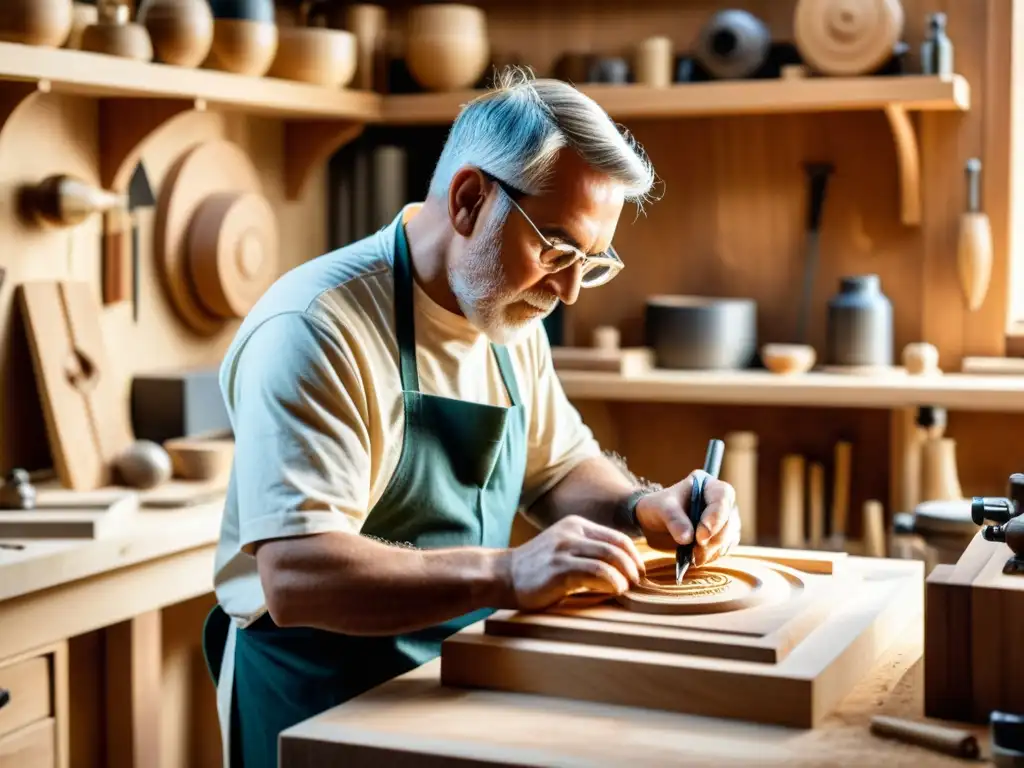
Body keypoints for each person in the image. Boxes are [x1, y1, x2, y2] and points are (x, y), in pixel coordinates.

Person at [203, 67, 741, 767]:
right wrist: (508, 574)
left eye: (592, 261)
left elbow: (558, 470)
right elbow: (300, 576)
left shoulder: (507, 317)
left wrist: (645, 508)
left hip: (451, 684)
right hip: (318, 699)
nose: (571, 290)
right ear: (468, 200)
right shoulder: (316, 327)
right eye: (556, 249)